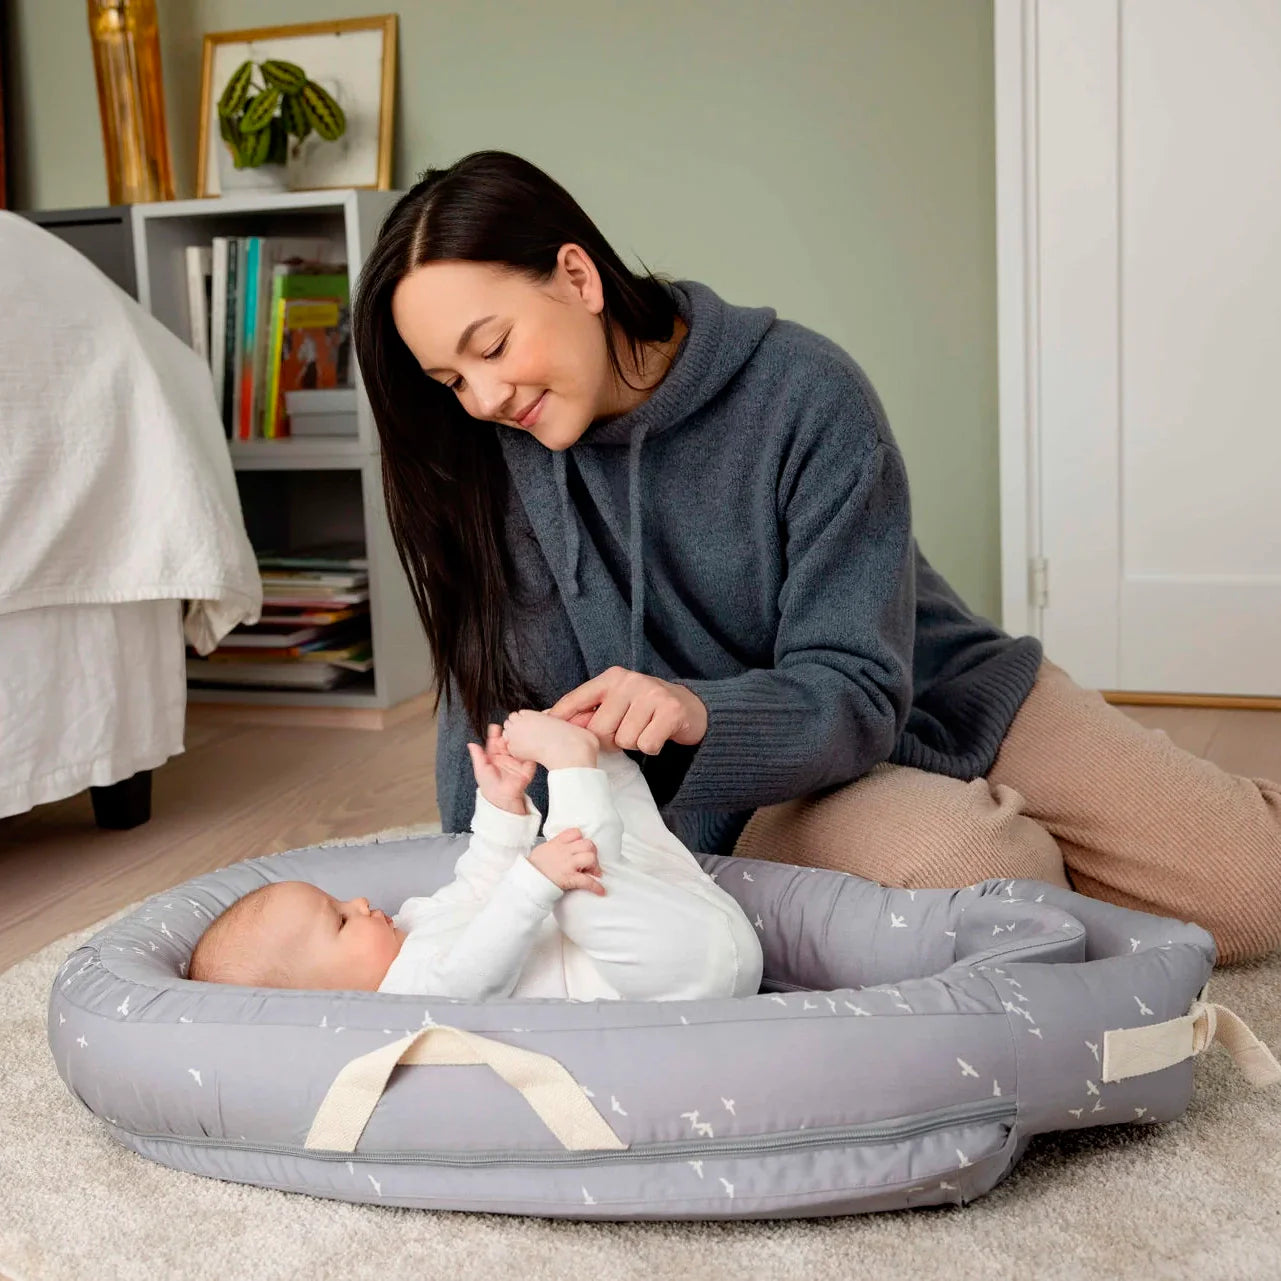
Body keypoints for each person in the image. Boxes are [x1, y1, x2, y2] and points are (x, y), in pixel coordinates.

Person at [351, 149, 1281, 967]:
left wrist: (696, 706)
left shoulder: (802, 390)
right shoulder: (494, 459)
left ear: (576, 276)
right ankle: (1013, 848)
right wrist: (482, 890)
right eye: (452, 379)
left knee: (1255, 887)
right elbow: (496, 717)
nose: (484, 396)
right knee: (984, 871)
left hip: (928, 687)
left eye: (492, 346)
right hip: (745, 786)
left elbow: (857, 682)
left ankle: (1030, 831)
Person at [189, 711, 763, 1000]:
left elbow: (480, 883)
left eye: (340, 900)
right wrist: (534, 884)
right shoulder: (409, 997)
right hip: (669, 977)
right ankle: (573, 764)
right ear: (332, 997)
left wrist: (501, 804)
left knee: (597, 837)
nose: (359, 902)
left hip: (683, 916)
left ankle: (595, 761)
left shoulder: (412, 925)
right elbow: (478, 971)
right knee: (569, 885)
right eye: (339, 921)